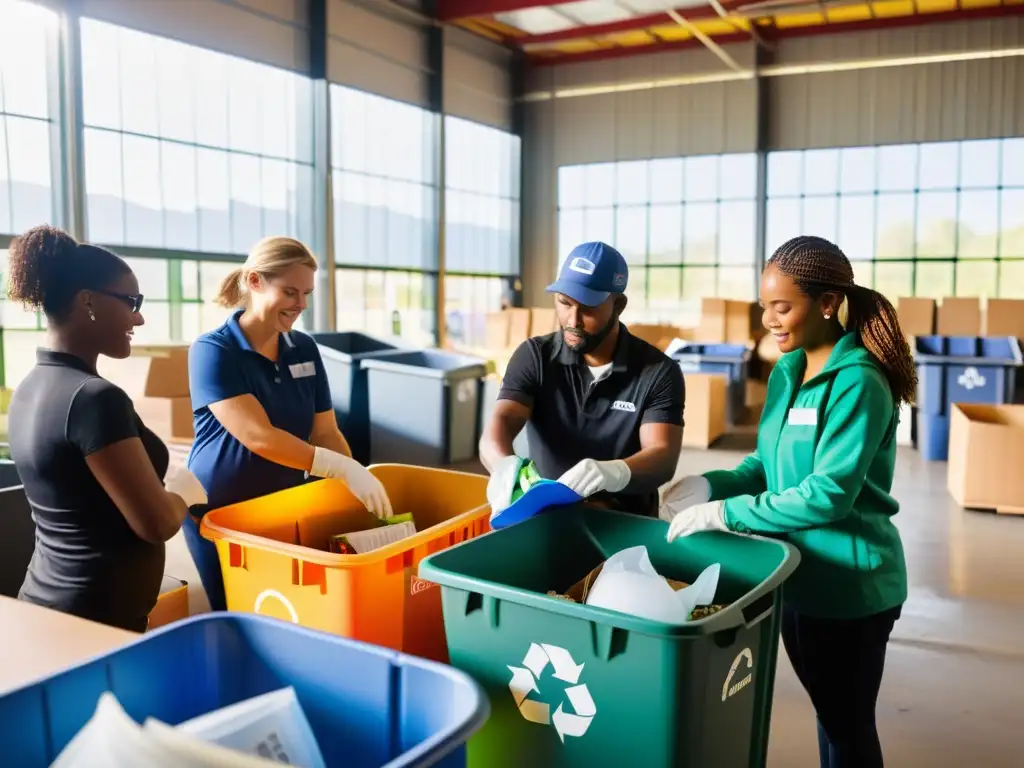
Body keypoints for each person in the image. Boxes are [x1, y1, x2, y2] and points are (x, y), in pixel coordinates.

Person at [663, 235, 912, 768]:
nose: (770, 321)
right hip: (794, 578)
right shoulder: (787, 371)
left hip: (851, 589)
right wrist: (710, 486)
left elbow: (828, 497)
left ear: (826, 304)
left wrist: (724, 514)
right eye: (764, 308)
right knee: (830, 715)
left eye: (783, 308)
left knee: (847, 728)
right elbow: (765, 467)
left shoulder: (859, 383)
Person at [5, 226, 207, 632]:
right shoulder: (95, 399)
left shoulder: (30, 387)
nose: (140, 316)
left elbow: (84, 494)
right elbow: (156, 524)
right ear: (88, 301)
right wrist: (184, 489)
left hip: (50, 605)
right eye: (131, 302)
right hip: (91, 622)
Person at [185, 236, 392, 611]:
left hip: (281, 510)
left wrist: (353, 485)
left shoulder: (304, 348)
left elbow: (325, 431)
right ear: (254, 282)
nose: (301, 305)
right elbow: (258, 436)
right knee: (237, 618)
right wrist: (339, 468)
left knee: (288, 614)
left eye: (307, 293)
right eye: (290, 291)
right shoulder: (214, 350)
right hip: (219, 512)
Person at [480, 241, 684, 518]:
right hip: (547, 518)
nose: (572, 320)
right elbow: (501, 421)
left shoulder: (658, 372)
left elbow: (662, 456)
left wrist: (612, 472)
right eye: (564, 303)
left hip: (624, 522)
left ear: (618, 305)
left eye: (588, 308)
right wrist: (502, 466)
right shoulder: (535, 357)